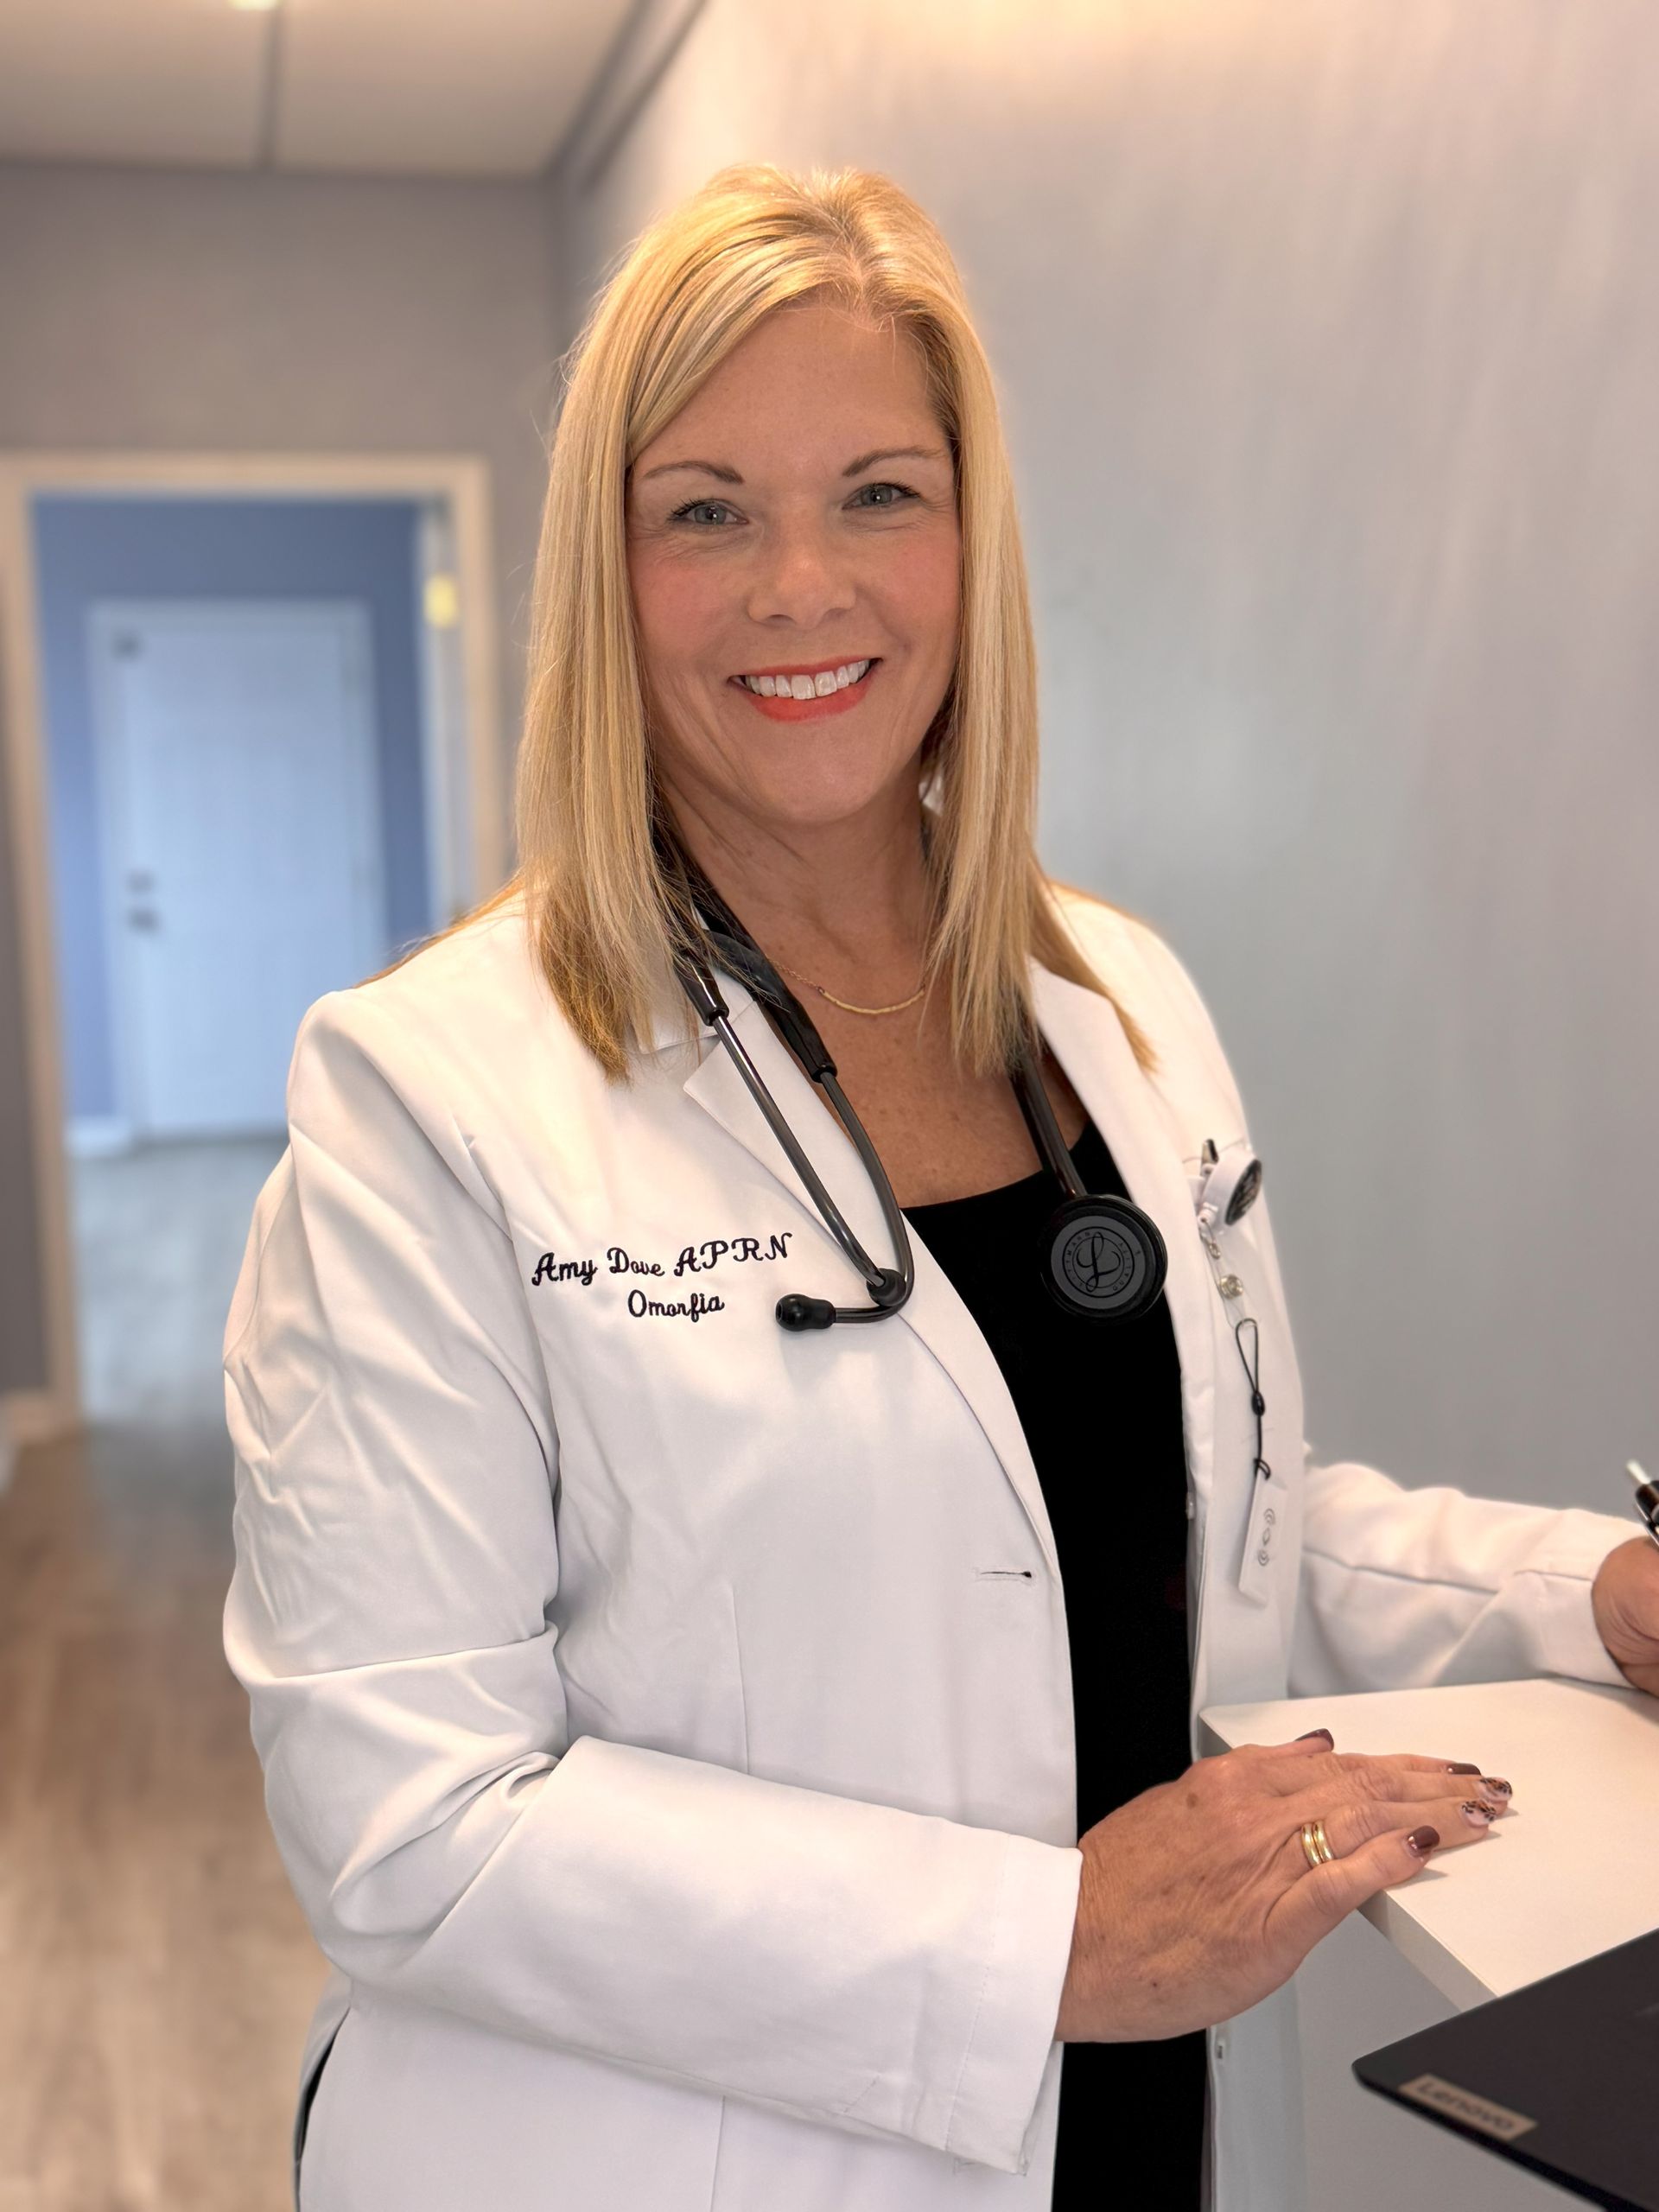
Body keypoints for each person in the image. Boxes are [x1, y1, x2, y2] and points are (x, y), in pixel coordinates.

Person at [222, 163, 1659, 2212]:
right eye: (705, 508)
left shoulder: (1116, 1000)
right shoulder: (429, 1097)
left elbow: (1203, 1515)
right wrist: (1048, 1942)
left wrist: (1584, 1596)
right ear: (604, 576)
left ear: (973, 542)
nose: (802, 585)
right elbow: (411, 1815)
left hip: (1142, 2116)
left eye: (880, 492)